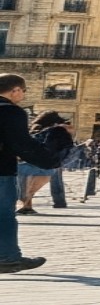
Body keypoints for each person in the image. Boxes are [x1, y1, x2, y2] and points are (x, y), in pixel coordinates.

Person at [0, 73, 62, 272]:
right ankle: (7, 258)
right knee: (4, 215)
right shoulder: (10, 111)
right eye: (23, 91)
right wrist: (49, 160)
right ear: (15, 90)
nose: (23, 96)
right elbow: (21, 143)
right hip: (1, 171)